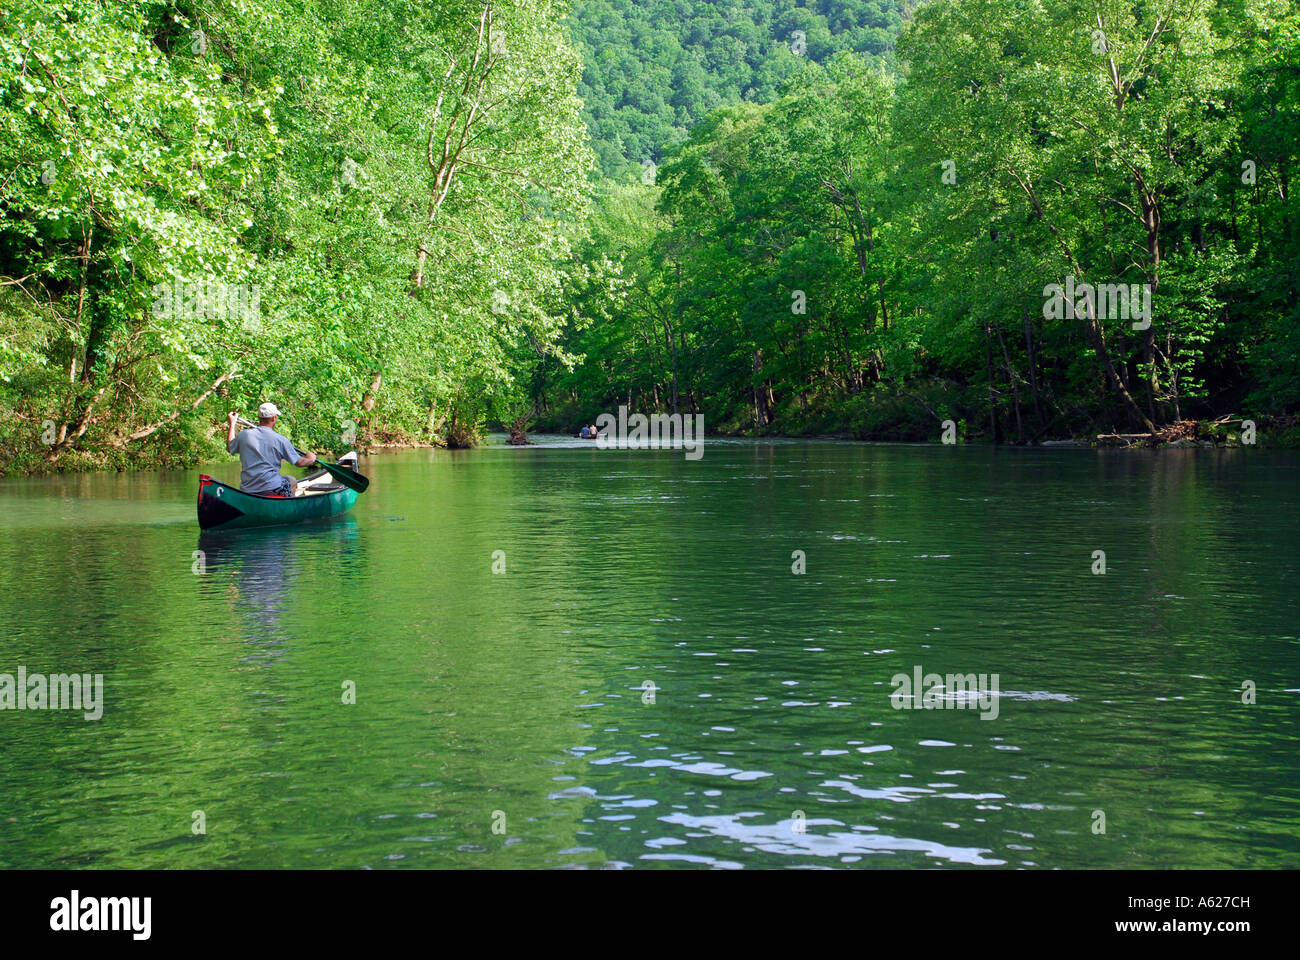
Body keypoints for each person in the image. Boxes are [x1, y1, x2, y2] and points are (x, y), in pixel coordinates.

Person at [226, 402, 317, 497]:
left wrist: (232, 423)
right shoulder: (280, 440)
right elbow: (300, 462)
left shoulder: (244, 435)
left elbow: (229, 447)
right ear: (274, 418)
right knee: (292, 480)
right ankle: (287, 506)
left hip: (248, 489)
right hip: (272, 488)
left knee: (287, 480)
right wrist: (311, 458)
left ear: (259, 417)